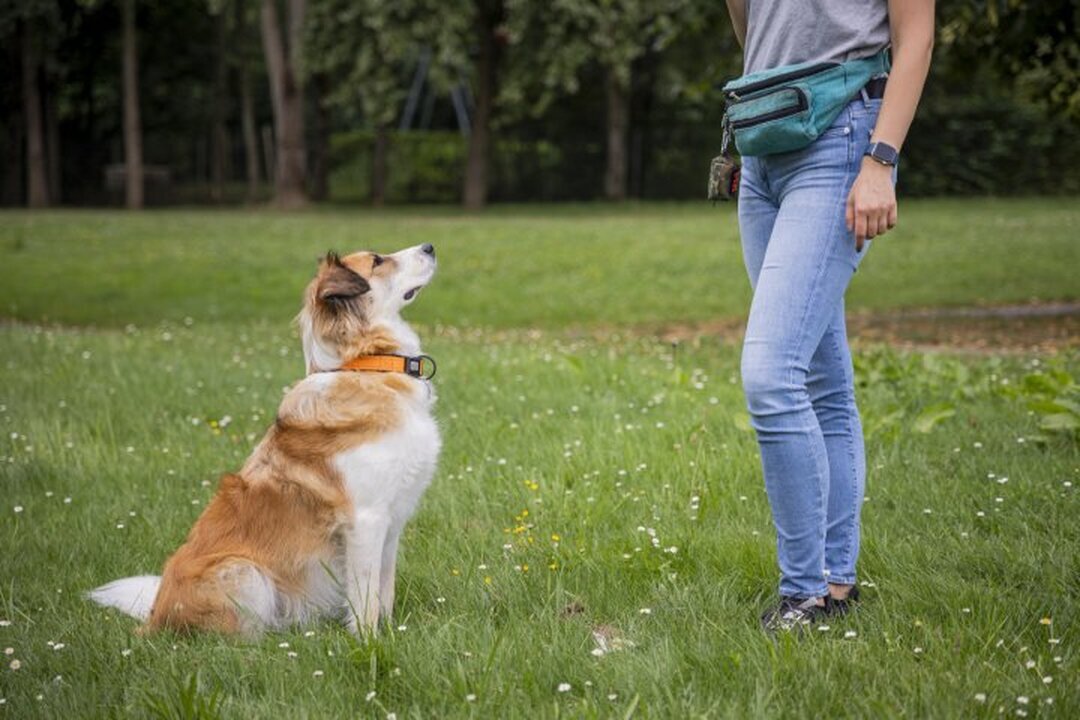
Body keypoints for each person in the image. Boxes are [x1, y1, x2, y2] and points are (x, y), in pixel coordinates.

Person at [722, 0, 935, 631]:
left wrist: (881, 160)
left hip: (843, 137)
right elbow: (750, 21)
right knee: (821, 380)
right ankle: (836, 585)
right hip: (765, 142)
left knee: (769, 374)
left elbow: (916, 36)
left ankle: (803, 596)